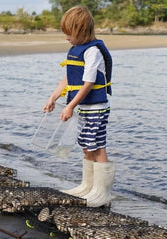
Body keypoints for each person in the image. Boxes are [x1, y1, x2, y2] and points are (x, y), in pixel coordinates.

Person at [42, 6, 114, 207]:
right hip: (84, 108)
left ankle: (102, 193)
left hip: (96, 108)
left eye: (70, 34)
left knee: (97, 146)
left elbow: (88, 83)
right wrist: (54, 98)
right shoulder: (76, 49)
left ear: (83, 32)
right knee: (86, 145)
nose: (67, 38)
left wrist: (70, 106)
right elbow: (69, 77)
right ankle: (88, 186)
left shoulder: (93, 52)